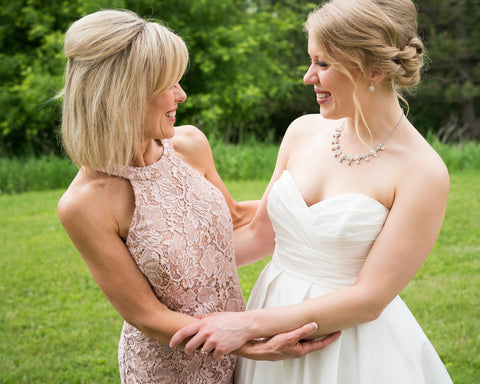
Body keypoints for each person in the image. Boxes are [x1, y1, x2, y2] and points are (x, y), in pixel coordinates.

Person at [169, 0, 454, 382]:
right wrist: (167, 272)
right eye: (311, 61)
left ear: (372, 68)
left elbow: (369, 299)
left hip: (349, 344)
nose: (308, 76)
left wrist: (248, 325)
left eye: (323, 64)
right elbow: (258, 234)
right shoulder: (302, 131)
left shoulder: (423, 171)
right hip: (270, 316)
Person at [57, 9, 339, 384]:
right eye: (168, 85)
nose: (182, 95)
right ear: (122, 94)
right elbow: (146, 316)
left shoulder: (189, 144)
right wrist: (245, 342)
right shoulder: (84, 204)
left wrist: (332, 204)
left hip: (234, 351)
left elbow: (237, 218)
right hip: (169, 368)